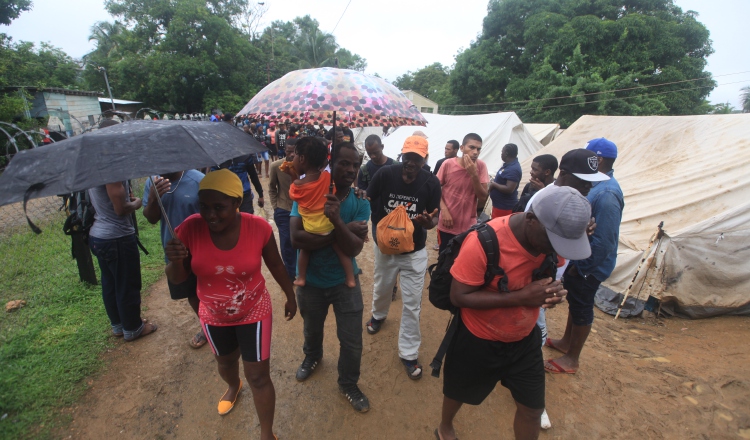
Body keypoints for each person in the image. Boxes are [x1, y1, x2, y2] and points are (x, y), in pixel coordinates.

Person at [436, 185, 592, 440]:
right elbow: (459, 296)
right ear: (531, 220)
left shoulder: (547, 245)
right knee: (458, 392)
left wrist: (547, 295)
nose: (556, 250)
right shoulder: (484, 241)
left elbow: (540, 281)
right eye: (552, 240)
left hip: (524, 339)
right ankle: (445, 427)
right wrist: (521, 297)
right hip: (478, 338)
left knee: (532, 410)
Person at [164, 169, 296, 439]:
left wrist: (290, 294)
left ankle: (266, 433)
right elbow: (178, 279)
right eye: (204, 206)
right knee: (225, 363)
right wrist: (175, 259)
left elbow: (275, 264)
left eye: (219, 207)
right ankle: (234, 385)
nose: (210, 214)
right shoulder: (190, 227)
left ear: (237, 203)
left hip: (254, 310)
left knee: (258, 376)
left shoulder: (257, 227)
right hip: (213, 314)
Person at [290, 142, 371, 413]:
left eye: (355, 165)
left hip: (345, 283)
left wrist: (337, 221)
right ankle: (312, 357)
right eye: (344, 163)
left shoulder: (361, 202)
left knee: (351, 341)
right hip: (311, 281)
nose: (350, 169)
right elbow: (296, 238)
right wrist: (343, 230)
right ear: (330, 164)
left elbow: (355, 248)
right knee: (311, 328)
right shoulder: (307, 193)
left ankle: (348, 383)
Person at [544, 139, 624, 375]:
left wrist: (582, 267)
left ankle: (572, 358)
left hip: (590, 264)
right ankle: (567, 342)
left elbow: (605, 240)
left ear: (598, 159)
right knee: (576, 302)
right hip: (580, 259)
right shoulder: (598, 185)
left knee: (582, 307)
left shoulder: (607, 193)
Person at [365, 136, 441, 380]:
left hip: (413, 253)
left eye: (417, 158)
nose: (411, 162)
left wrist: (429, 223)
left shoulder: (432, 183)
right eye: (408, 156)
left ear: (424, 160)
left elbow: (434, 218)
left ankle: (408, 353)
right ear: (401, 154)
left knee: (412, 304)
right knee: (383, 286)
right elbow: (367, 199)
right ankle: (378, 315)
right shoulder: (386, 175)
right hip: (385, 248)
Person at [143, 169, 206, 348]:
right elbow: (151, 218)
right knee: (191, 293)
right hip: (175, 252)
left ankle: (221, 326)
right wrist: (154, 198)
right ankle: (207, 327)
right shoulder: (152, 182)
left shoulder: (198, 180)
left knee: (210, 289)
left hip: (202, 248)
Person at [88, 180, 157, 341]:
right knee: (127, 284)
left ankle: (120, 325)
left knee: (110, 283)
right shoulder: (111, 171)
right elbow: (121, 209)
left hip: (100, 236)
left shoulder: (95, 167)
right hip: (117, 237)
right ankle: (133, 328)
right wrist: (137, 203)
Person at [287, 137, 357, 289]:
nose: (293, 159)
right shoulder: (327, 178)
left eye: (295, 156)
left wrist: (294, 177)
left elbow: (293, 196)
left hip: (311, 228)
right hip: (328, 224)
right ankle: (351, 278)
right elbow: (336, 188)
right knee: (340, 251)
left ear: (303, 158)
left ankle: (301, 278)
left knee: (305, 251)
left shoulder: (298, 185)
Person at [437, 133, 490, 253]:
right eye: (471, 147)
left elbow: (483, 197)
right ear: (462, 148)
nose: (475, 152)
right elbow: (436, 189)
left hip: (468, 225)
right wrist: (444, 211)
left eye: (478, 149)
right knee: (444, 259)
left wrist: (473, 174)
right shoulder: (448, 164)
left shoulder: (481, 166)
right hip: (447, 223)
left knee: (461, 261)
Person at [269, 140, 297, 281]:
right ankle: (291, 274)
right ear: (284, 151)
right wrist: (275, 207)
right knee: (286, 242)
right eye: (288, 151)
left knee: (299, 241)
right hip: (283, 209)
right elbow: (272, 187)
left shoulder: (303, 167)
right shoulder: (276, 166)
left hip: (299, 210)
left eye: (294, 152)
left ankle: (299, 271)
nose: (291, 155)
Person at [489, 143, 522, 218]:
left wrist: (494, 184)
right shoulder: (508, 165)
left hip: (504, 208)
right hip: (499, 205)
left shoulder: (513, 169)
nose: (501, 154)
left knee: (498, 227)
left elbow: (509, 189)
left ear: (506, 153)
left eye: (502, 152)